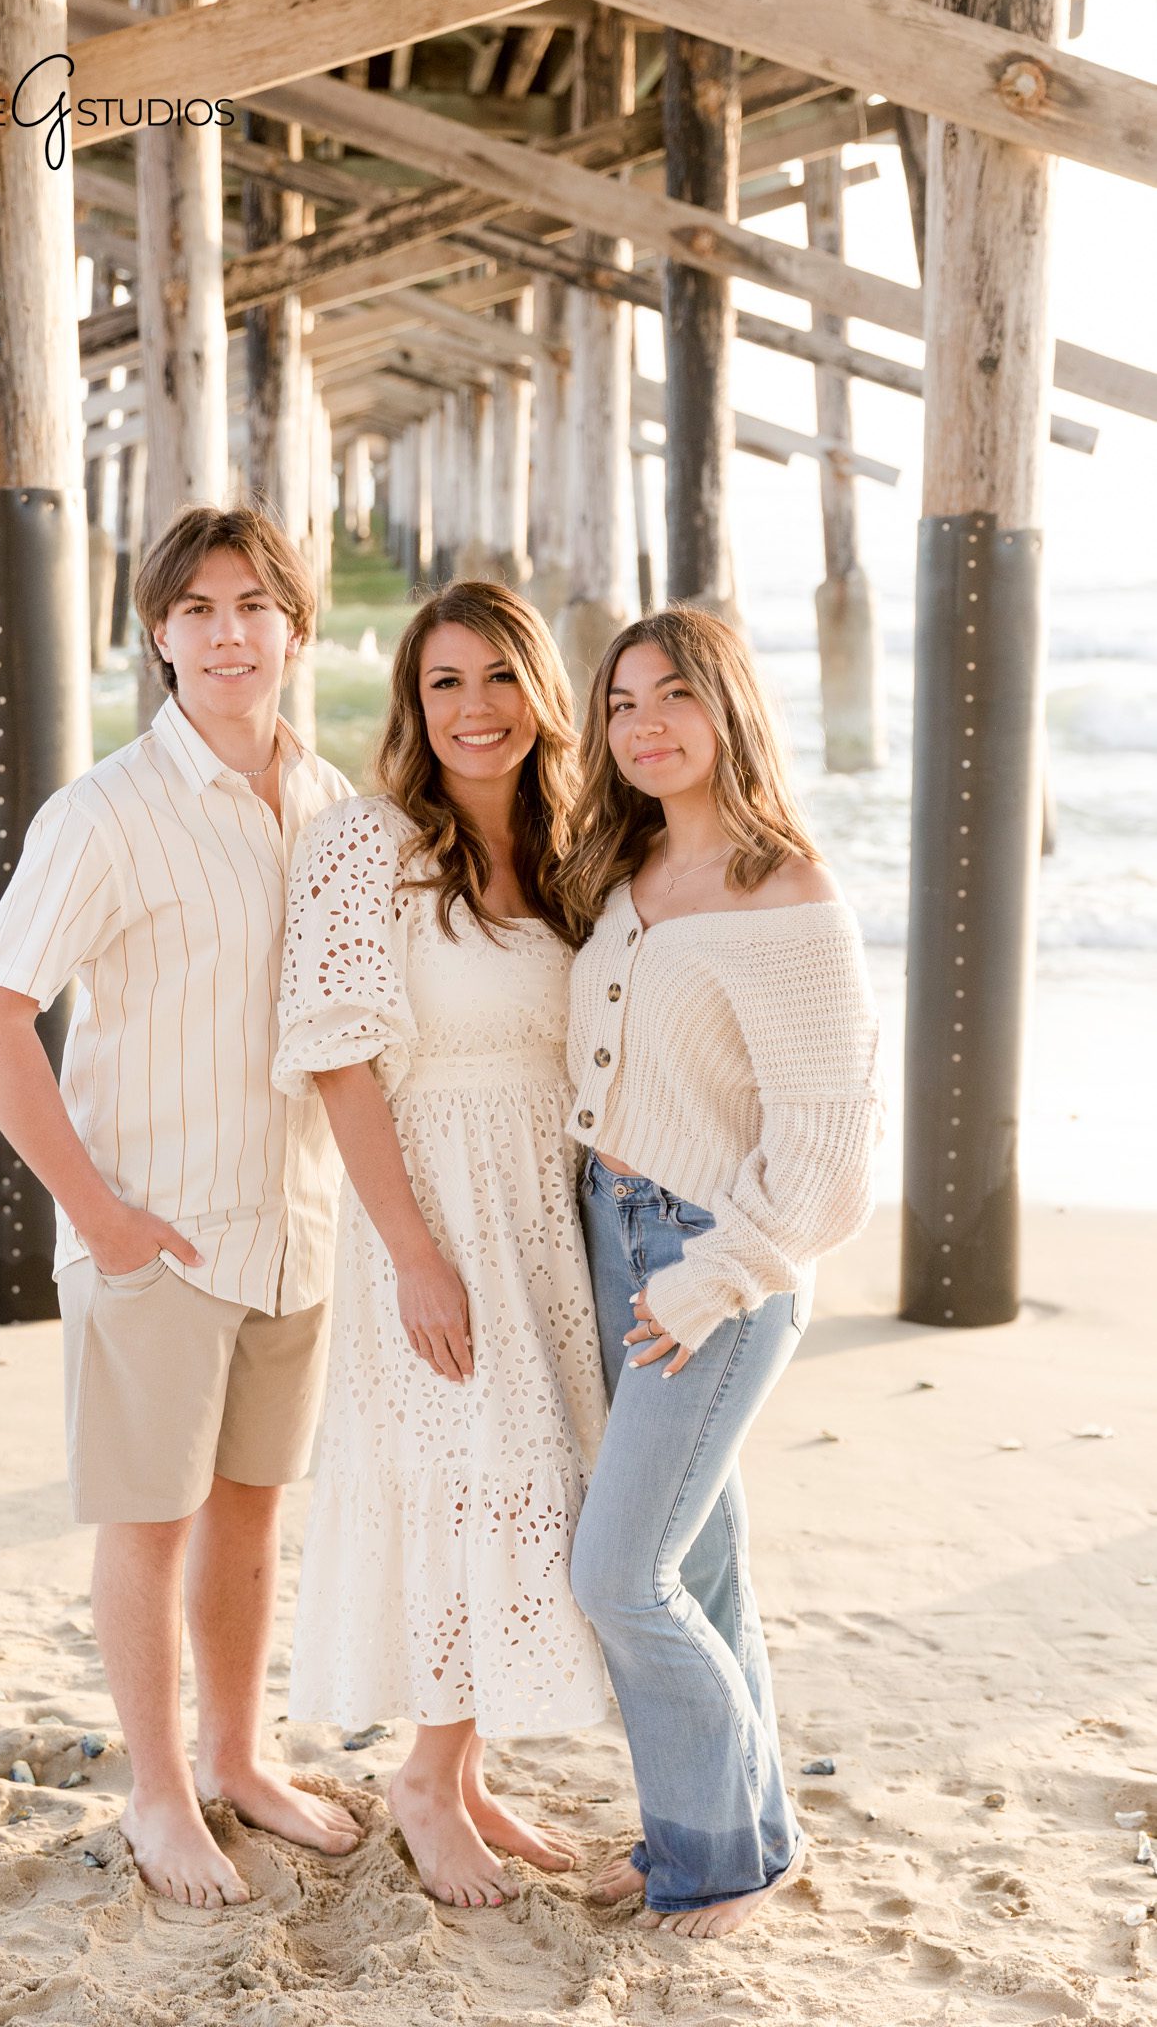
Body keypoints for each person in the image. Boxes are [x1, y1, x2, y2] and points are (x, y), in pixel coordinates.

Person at [0, 504, 362, 1910]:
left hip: (296, 1228)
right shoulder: (105, 813)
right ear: (158, 636)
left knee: (250, 1514)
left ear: (296, 631)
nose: (228, 631)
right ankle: (157, 1793)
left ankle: (241, 1760)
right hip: (161, 1234)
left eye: (253, 604)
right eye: (196, 607)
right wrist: (102, 1215)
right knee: (150, 1522)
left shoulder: (334, 805)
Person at [272, 582, 608, 1911]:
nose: (473, 709)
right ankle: (422, 1774)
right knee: (463, 1473)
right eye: (442, 683)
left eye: (497, 678)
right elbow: (341, 1064)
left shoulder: (573, 854)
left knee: (524, 1481)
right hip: (430, 1211)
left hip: (542, 1214)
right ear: (412, 707)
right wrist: (413, 1253)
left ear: (541, 694)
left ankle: (460, 1774)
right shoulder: (369, 848)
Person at [558, 606, 883, 1939]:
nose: (644, 722)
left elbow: (832, 1147)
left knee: (619, 1576)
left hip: (711, 1266)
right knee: (699, 1574)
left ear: (728, 709)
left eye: (674, 695)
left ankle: (727, 1862)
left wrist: (710, 1278)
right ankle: (714, 1829)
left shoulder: (786, 892)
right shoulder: (624, 875)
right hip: (610, 1233)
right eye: (623, 700)